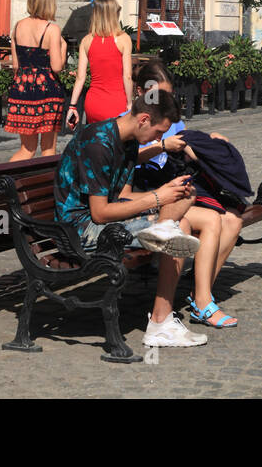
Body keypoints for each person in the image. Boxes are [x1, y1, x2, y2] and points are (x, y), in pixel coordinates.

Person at [56, 90, 207, 347]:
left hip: (102, 219)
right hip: (79, 229)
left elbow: (124, 197)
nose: (159, 140)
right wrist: (157, 199)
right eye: (159, 132)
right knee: (179, 226)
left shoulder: (128, 140)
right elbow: (99, 213)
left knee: (184, 198)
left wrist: (168, 194)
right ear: (144, 119)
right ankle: (160, 324)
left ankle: (162, 230)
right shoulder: (98, 143)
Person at [131, 60, 244, 329]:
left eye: (167, 95)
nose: (164, 102)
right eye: (158, 95)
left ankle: (200, 295)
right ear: (140, 92)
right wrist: (160, 146)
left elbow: (188, 150)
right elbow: (123, 159)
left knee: (234, 220)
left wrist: (210, 146)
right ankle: (203, 302)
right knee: (213, 220)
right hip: (146, 191)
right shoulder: (132, 117)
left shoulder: (168, 117)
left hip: (174, 187)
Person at [4, 0, 69, 161]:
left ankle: (7, 179)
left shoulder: (17, 27)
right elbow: (57, 67)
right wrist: (64, 48)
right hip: (47, 91)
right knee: (48, 149)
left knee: (26, 149)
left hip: (22, 89)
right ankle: (46, 185)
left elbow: (16, 65)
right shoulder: (52, 29)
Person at [66, 0, 133, 128]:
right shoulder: (123, 39)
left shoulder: (86, 40)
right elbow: (127, 76)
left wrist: (72, 106)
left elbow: (80, 78)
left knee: (97, 141)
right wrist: (130, 103)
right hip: (117, 101)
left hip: (93, 102)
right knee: (115, 143)